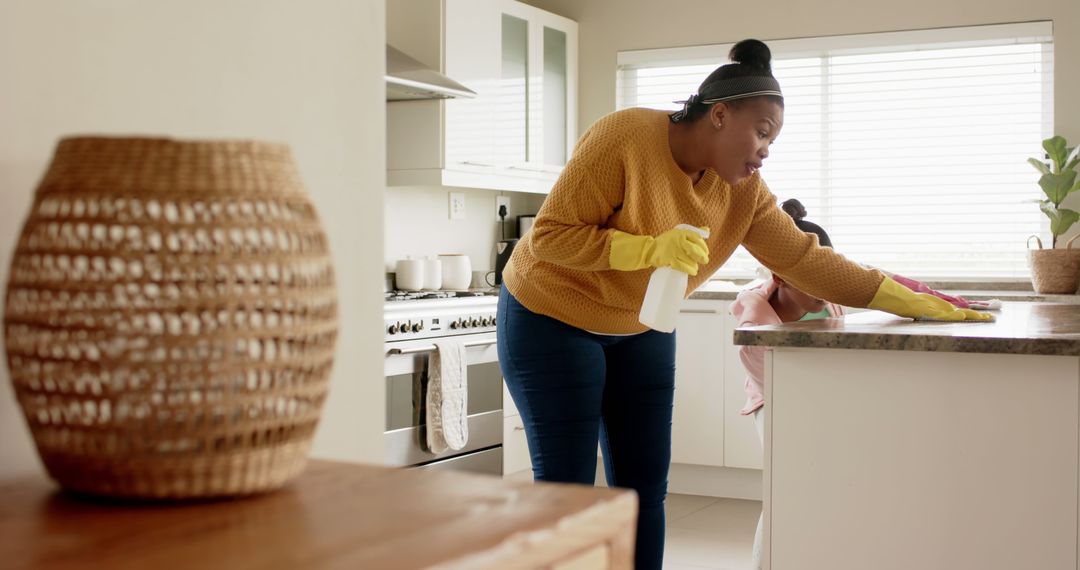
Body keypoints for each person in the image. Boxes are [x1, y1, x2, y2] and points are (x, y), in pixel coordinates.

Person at [496, 38, 991, 570]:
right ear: (719, 114)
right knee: (567, 490)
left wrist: (915, 298)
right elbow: (550, 235)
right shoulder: (626, 135)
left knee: (644, 490)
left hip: (642, 325)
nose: (766, 149)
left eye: (772, 139)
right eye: (761, 132)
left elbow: (811, 261)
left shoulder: (746, 195)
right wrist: (643, 247)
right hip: (552, 315)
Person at [730, 199, 843, 569]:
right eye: (811, 276)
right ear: (779, 277)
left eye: (827, 272)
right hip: (774, 400)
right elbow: (783, 387)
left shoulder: (829, 303)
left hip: (824, 395)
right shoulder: (755, 326)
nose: (823, 286)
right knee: (785, 486)